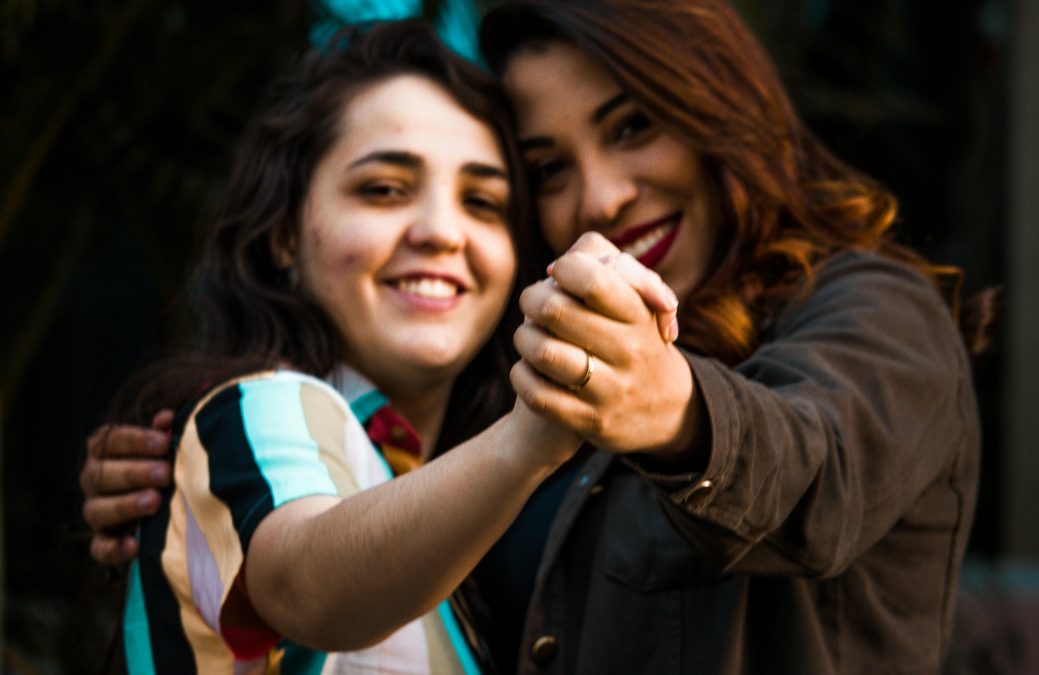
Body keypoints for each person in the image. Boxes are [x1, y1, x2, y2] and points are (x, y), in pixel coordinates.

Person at [84, 1, 991, 673]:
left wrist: (672, 410)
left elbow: (816, 461)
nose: (599, 198)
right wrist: (192, 480)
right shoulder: (489, 422)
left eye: (633, 127)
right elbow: (313, 560)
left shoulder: (874, 309)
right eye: (550, 169)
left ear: (717, 109)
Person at [97, 18, 675, 673]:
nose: (440, 232)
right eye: (383, 189)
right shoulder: (261, 406)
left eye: (482, 202)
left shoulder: (457, 504)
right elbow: (306, 582)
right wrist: (535, 430)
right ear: (284, 232)